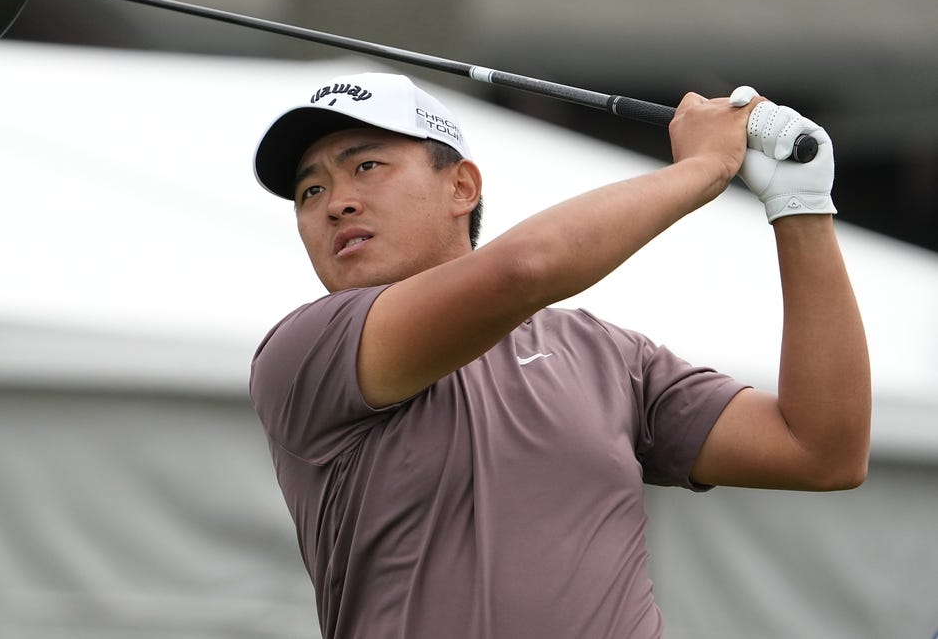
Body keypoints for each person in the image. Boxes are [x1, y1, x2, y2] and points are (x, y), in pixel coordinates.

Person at [248, 72, 870, 639]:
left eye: (367, 167)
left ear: (461, 186)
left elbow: (821, 451)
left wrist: (802, 210)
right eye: (310, 191)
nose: (335, 203)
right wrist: (703, 168)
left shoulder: (605, 355)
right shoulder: (307, 352)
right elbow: (525, 269)